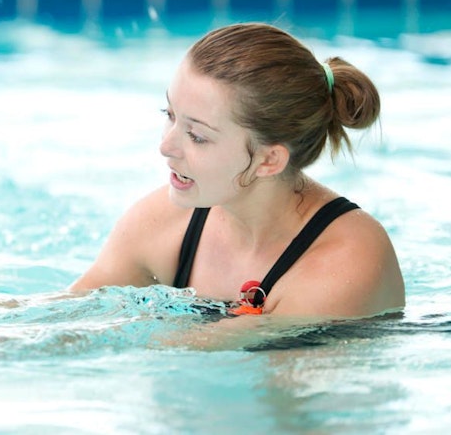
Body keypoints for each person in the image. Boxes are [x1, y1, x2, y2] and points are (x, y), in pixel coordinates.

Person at [70, 23, 404, 320]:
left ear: (268, 161)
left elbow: (198, 354)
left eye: (197, 136)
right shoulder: (165, 222)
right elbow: (67, 310)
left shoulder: (343, 262)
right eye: (169, 114)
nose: (166, 146)